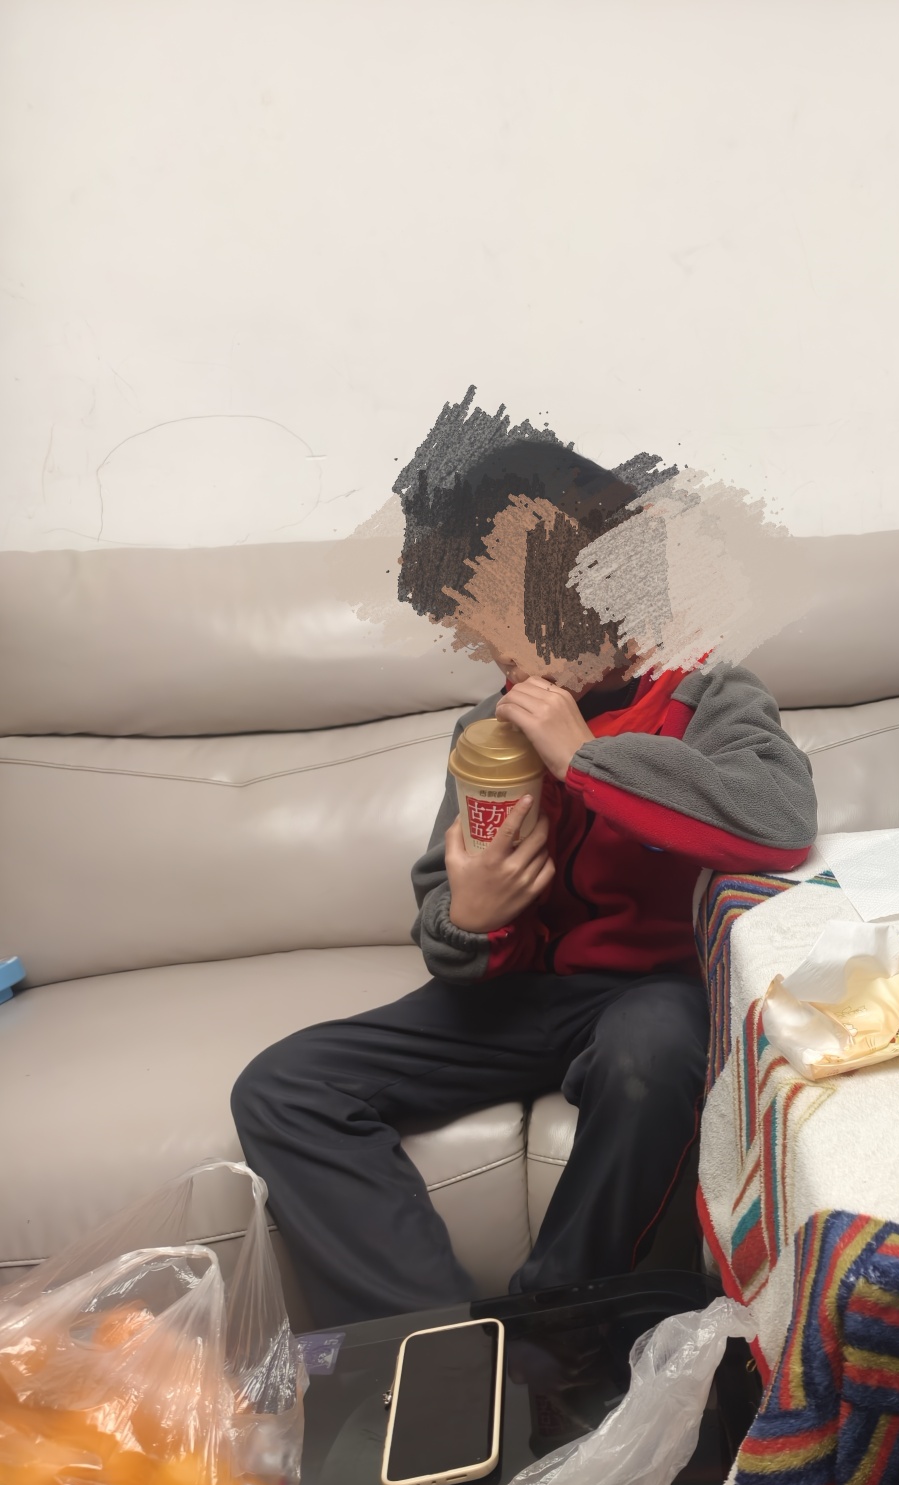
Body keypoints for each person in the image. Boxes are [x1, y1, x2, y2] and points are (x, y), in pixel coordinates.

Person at [232, 436, 816, 1326]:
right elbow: (448, 906)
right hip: (512, 999)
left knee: (654, 1050)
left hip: (650, 996)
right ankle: (443, 1343)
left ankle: (558, 1327)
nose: (486, 646)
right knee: (282, 1086)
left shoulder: (707, 693)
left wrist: (587, 760)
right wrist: (468, 921)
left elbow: (777, 821)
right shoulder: (488, 728)